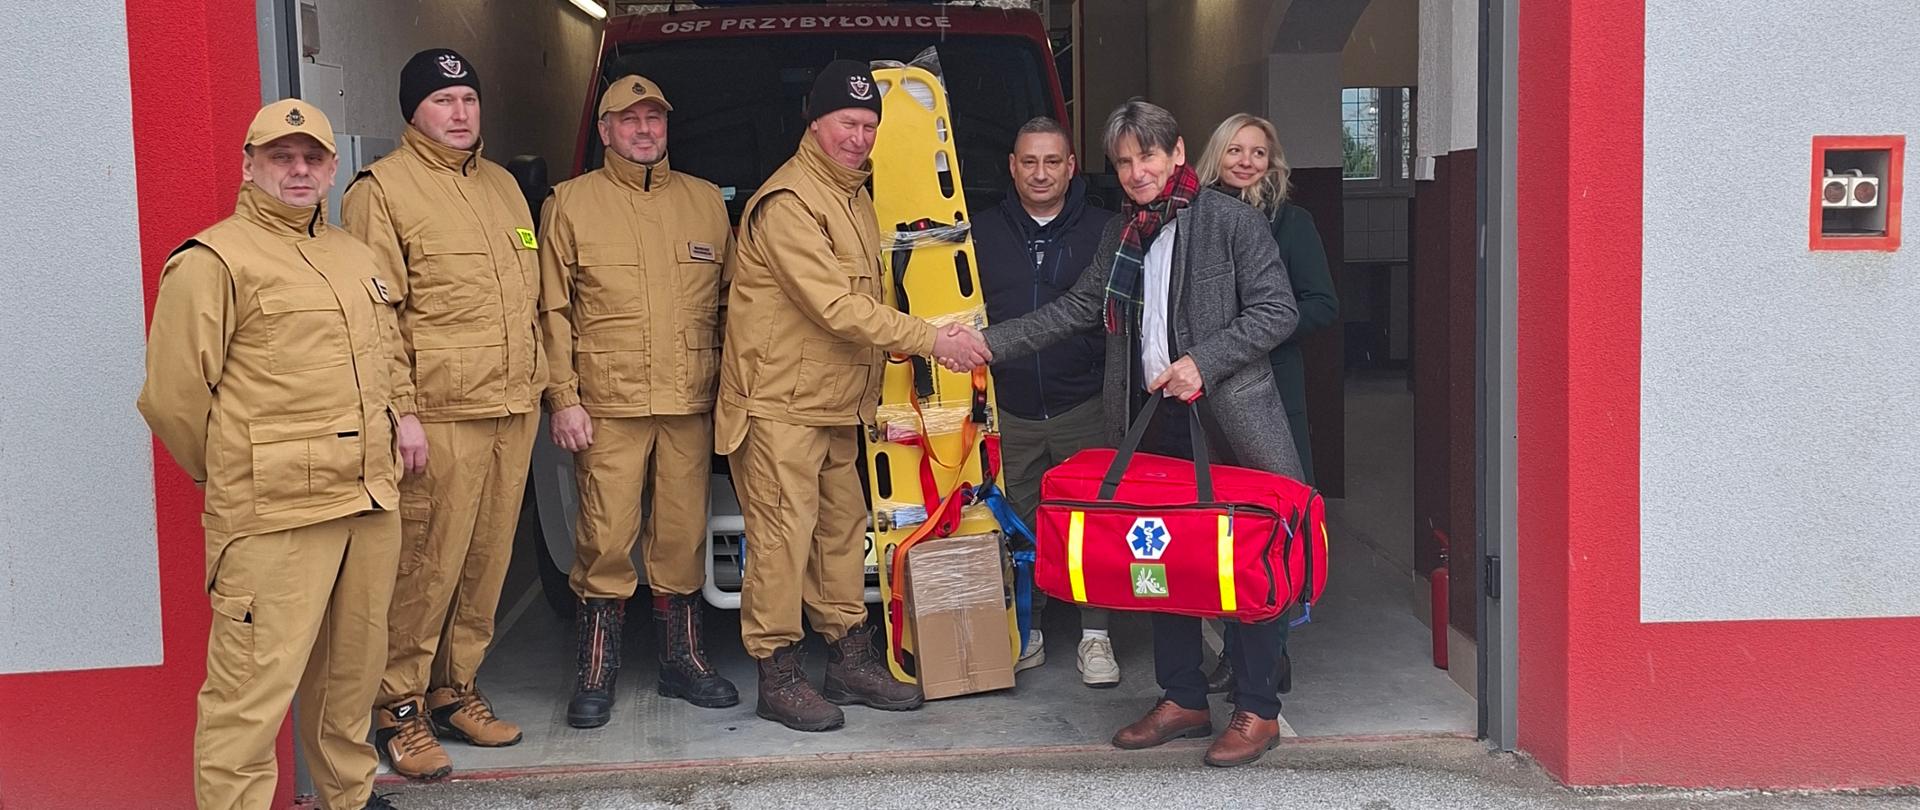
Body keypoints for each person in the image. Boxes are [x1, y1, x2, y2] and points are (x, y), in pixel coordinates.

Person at [973, 99, 1301, 767]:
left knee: (1245, 564)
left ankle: (1259, 709)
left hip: (1229, 426)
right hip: (1154, 426)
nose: (1135, 171)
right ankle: (1182, 697)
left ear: (1177, 153)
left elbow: (1278, 310)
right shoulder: (1125, 233)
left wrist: (1202, 362)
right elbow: (1073, 309)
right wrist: (983, 344)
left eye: (1147, 156)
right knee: (1166, 561)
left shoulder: (1232, 223)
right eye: (1123, 161)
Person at [138, 99, 403, 810]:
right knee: (251, 692)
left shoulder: (355, 255)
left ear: (332, 167)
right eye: (280, 157)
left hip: (369, 502)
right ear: (248, 165)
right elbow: (172, 399)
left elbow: (389, 360)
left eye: (311, 157)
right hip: (273, 515)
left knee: (351, 676)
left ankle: (351, 795)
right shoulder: (214, 259)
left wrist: (401, 420)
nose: (297, 169)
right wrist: (234, 469)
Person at [717, 59, 989, 732]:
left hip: (836, 403)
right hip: (779, 405)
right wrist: (932, 338)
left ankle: (846, 659)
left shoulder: (851, 196)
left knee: (840, 537)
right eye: (847, 122)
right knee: (782, 543)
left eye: (869, 125)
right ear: (815, 123)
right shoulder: (788, 204)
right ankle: (777, 673)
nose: (860, 137)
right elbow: (837, 308)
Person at [341, 48, 541, 779]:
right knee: (425, 568)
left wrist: (545, 387)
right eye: (442, 102)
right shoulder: (382, 192)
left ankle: (456, 691)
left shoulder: (503, 189)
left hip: (509, 408)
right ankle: (399, 708)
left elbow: (529, 300)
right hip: (441, 414)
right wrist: (400, 413)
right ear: (413, 112)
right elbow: (375, 318)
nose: (460, 114)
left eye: (468, 100)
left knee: (487, 562)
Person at [538, 75, 739, 729]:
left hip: (688, 401)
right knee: (605, 539)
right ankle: (596, 668)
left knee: (681, 537)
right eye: (630, 120)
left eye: (655, 117)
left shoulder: (707, 202)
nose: (645, 129)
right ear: (605, 132)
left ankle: (684, 661)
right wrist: (563, 398)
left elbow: (734, 306)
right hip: (607, 405)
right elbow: (552, 310)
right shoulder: (569, 204)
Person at [1194, 112, 1342, 696]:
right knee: (1220, 530)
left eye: (1258, 152)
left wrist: (1251, 333)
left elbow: (1322, 304)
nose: (1246, 161)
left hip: (1272, 392)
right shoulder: (1193, 220)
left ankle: (1268, 656)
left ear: (1272, 161)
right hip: (1206, 396)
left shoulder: (1293, 223)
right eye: (1235, 149)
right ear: (1215, 155)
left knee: (1274, 531)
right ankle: (1234, 653)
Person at [971, 116, 1121, 687]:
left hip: (1082, 404)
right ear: (1012, 166)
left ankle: (1096, 637)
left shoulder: (1108, 230)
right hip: (1007, 410)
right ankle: (1025, 631)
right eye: (1028, 161)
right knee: (1016, 527)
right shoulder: (979, 231)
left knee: (1092, 524)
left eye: (1052, 161)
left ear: (1070, 166)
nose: (1040, 173)